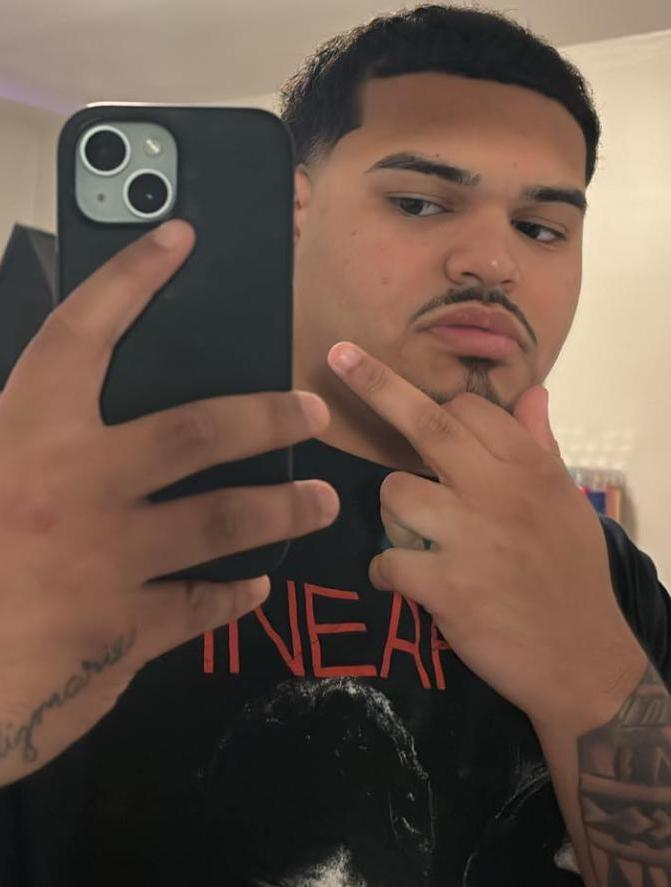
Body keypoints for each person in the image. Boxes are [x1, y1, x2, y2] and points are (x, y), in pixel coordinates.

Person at [1, 4, 670, 886]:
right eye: (419, 202)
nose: (491, 261)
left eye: (540, 227)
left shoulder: (601, 570)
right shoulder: (69, 516)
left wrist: (595, 678)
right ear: (291, 212)